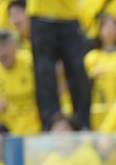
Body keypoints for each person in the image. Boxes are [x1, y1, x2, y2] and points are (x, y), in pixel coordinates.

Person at [27, 0, 91, 130]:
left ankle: (82, 125)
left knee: (78, 72)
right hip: (41, 15)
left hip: (70, 16)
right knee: (44, 75)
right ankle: (50, 126)